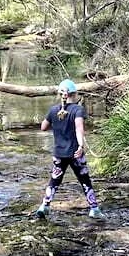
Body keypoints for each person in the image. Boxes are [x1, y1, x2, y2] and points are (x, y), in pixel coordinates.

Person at [35, 79, 104, 219]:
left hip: (59, 153)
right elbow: (79, 129)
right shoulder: (78, 110)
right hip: (75, 153)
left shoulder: (54, 110)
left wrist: (54, 121)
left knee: (54, 180)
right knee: (85, 180)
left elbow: (43, 127)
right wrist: (80, 145)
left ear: (60, 94)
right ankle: (94, 209)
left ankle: (44, 206)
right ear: (75, 94)